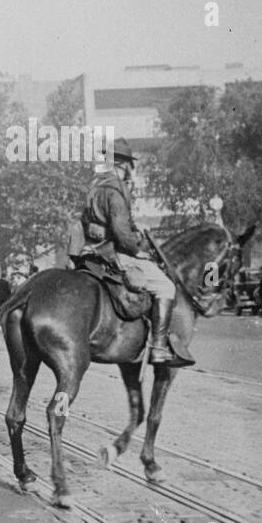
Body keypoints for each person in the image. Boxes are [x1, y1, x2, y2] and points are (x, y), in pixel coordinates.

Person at [76, 137, 190, 365]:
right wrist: (137, 250)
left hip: (91, 251)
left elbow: (102, 222)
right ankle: (158, 347)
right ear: (124, 164)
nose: (131, 171)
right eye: (130, 166)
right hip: (114, 252)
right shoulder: (115, 192)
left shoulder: (95, 188)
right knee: (166, 286)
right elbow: (119, 232)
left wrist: (135, 227)